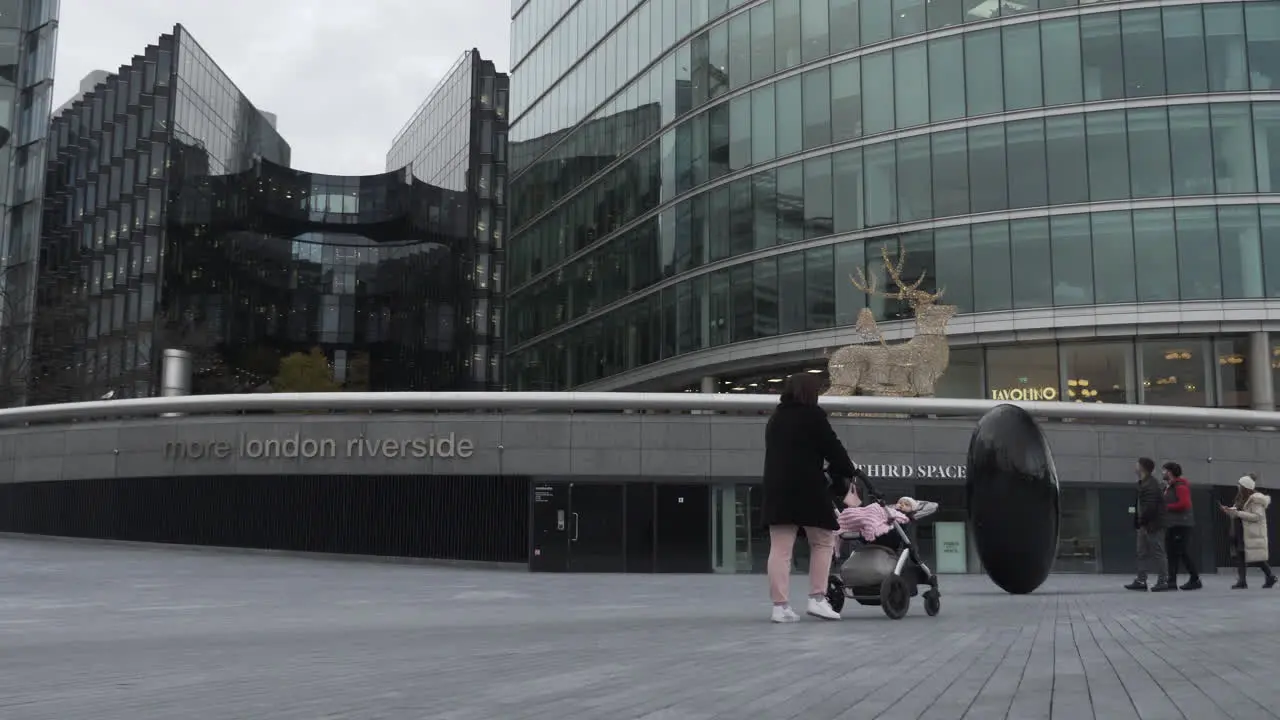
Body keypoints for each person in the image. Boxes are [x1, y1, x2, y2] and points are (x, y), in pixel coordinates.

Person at [762, 373, 856, 623]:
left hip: (777, 489)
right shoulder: (814, 416)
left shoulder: (776, 418)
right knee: (823, 540)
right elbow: (833, 448)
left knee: (780, 549)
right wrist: (848, 470)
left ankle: (779, 607)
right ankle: (817, 599)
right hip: (807, 488)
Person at [1221, 474, 1275, 589]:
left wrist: (1238, 513)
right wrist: (1229, 511)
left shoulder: (1255, 500)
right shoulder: (1240, 499)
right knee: (1241, 555)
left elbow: (1257, 516)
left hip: (1251, 532)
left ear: (1245, 487)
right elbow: (1237, 513)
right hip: (1240, 531)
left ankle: (1270, 576)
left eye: (1240, 485)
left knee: (1256, 558)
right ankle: (1242, 581)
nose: (1238, 487)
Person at [1126, 457, 1169, 591]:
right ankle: (1141, 580)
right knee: (1142, 553)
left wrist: (1142, 522)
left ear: (1142, 468)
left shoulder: (1150, 485)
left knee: (1158, 552)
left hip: (1152, 525)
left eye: (1137, 465)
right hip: (1145, 524)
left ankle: (1162, 581)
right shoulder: (1144, 483)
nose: (1135, 467)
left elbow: (1150, 507)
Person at [1161, 462, 1201, 591]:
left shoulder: (1180, 486)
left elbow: (1184, 504)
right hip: (1172, 524)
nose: (1162, 473)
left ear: (1170, 472)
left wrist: (1165, 508)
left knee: (1182, 552)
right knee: (1172, 553)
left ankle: (1195, 579)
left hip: (1181, 524)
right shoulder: (1170, 487)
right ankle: (1172, 582)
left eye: (1164, 470)